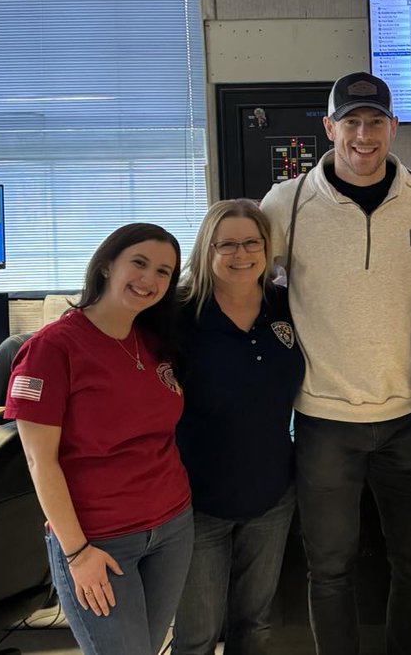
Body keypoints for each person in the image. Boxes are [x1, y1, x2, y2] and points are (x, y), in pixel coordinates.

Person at [260, 71, 411, 655]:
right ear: (329, 128)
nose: (363, 134)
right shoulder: (289, 202)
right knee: (329, 570)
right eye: (350, 121)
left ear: (393, 127)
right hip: (325, 421)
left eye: (375, 121)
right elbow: (235, 268)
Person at [7, 223, 193, 654]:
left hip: (172, 526)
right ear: (107, 265)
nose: (150, 280)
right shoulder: (52, 348)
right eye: (140, 263)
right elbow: (40, 462)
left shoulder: (151, 341)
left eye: (164, 271)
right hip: (100, 540)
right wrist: (76, 554)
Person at [172, 199, 303, 655]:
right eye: (225, 244)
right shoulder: (178, 314)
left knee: (255, 625)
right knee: (198, 634)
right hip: (196, 502)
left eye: (251, 242)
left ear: (268, 248)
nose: (240, 253)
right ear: (206, 250)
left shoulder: (286, 305)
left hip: (271, 495)